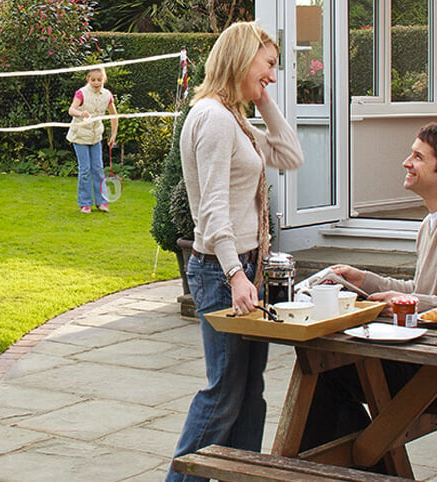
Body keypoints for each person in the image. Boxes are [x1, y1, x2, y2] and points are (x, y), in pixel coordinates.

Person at [299, 123, 437, 463]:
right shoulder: (432, 221)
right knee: (328, 367)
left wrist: (407, 302)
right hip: (430, 357)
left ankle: (353, 467)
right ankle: (360, 466)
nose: (406, 163)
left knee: (329, 371)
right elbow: (423, 291)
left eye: (417, 157)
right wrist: (364, 280)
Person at [166, 21, 304, 481]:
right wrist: (235, 275)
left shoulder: (234, 117)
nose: (272, 75)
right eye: (268, 65)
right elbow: (212, 209)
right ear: (242, 57)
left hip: (246, 266)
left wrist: (264, 100)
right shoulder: (214, 118)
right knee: (224, 391)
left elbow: (289, 155)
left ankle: (241, 475)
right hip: (224, 271)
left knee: (249, 391)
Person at [66, 67, 118, 214]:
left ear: (104, 80)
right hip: (80, 136)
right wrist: (81, 113)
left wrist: (113, 134)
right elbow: (71, 110)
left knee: (98, 169)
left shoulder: (107, 95)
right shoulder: (81, 93)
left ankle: (102, 202)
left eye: (99, 80)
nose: (96, 82)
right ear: (88, 79)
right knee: (85, 170)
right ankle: (85, 203)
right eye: (93, 79)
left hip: (95, 137)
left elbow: (114, 115)